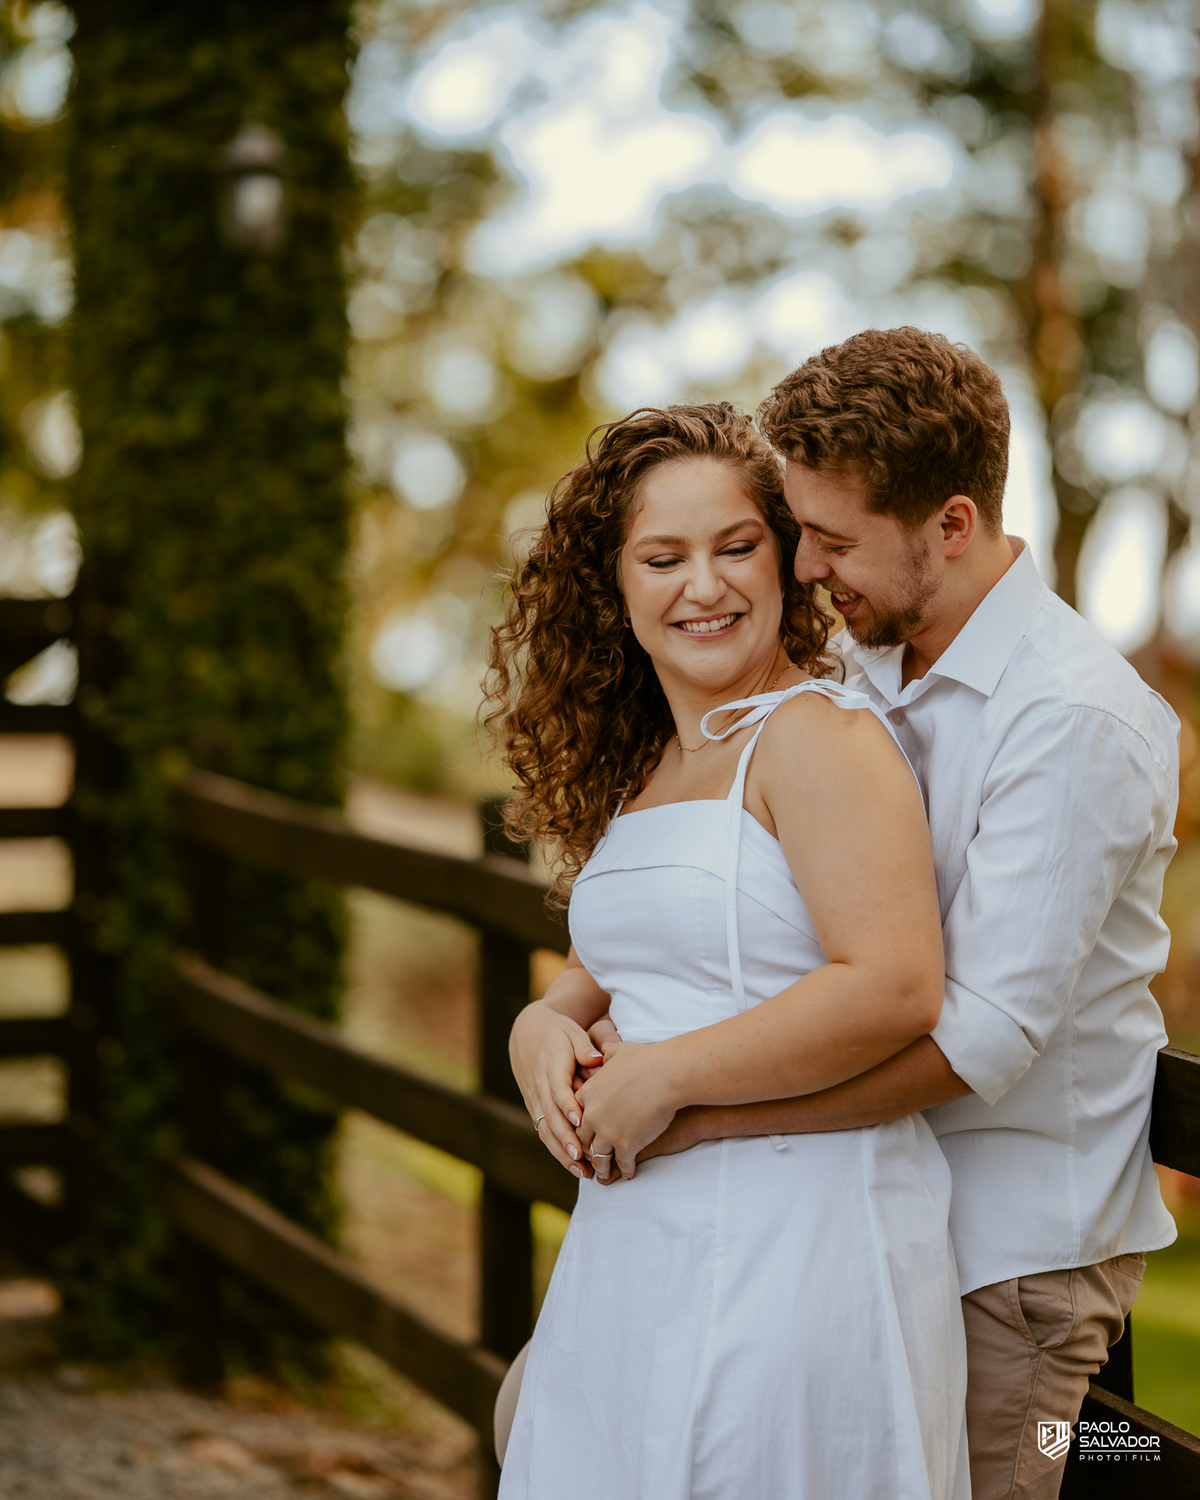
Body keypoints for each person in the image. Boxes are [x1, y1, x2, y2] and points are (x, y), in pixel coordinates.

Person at [586, 329, 1179, 1500]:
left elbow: (979, 1038)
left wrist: (696, 1113)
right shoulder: (868, 668)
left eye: (836, 540)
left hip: (1015, 1262)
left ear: (951, 525)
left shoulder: (1075, 721)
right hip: (859, 1214)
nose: (805, 567)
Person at [488, 402, 969, 1499]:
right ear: (614, 586)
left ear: (786, 558)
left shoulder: (820, 738)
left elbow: (895, 985)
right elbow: (637, 960)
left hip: (794, 1243)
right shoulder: (653, 764)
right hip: (640, 1234)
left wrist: (666, 1076)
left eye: (736, 547)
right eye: (663, 558)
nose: (703, 587)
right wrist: (542, 1021)